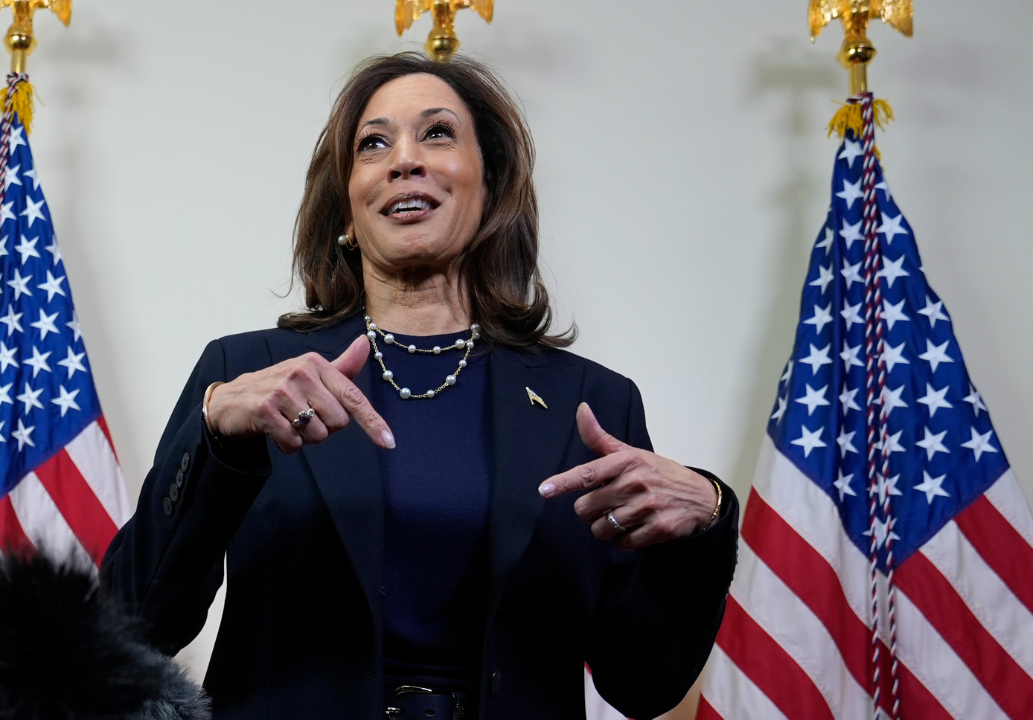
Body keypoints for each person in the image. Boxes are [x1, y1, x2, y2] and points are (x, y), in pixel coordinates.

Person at [100, 53, 738, 720]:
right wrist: (213, 437)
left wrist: (710, 515)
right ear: (348, 208)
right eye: (374, 144)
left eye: (436, 133)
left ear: (489, 187)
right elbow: (128, 631)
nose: (405, 159)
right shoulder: (251, 375)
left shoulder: (595, 404)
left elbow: (642, 682)